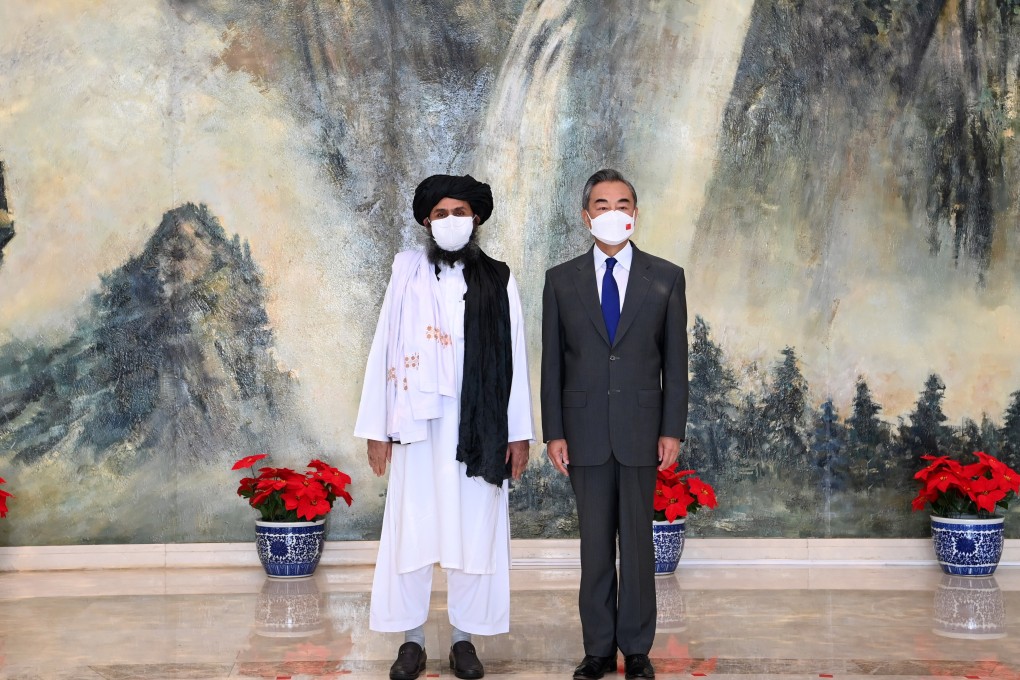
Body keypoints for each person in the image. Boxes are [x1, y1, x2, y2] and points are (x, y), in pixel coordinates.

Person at [354, 174, 534, 680]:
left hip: (479, 427)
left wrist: (518, 432)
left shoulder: (499, 279)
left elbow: (515, 359)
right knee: (412, 528)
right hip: (416, 423)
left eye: (459, 212)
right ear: (427, 222)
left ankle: (463, 641)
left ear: (475, 218)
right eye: (440, 213)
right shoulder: (406, 273)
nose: (450, 220)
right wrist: (377, 428)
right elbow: (384, 347)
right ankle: (410, 642)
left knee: (472, 529)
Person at [540, 169, 688, 680]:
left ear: (636, 213)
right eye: (601, 205)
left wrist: (672, 429)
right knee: (595, 545)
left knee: (639, 547)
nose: (612, 213)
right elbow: (553, 363)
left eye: (622, 203)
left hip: (642, 431)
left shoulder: (666, 277)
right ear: (587, 217)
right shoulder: (560, 281)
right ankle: (598, 649)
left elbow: (675, 360)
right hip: (583, 434)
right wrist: (554, 431)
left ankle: (637, 649)